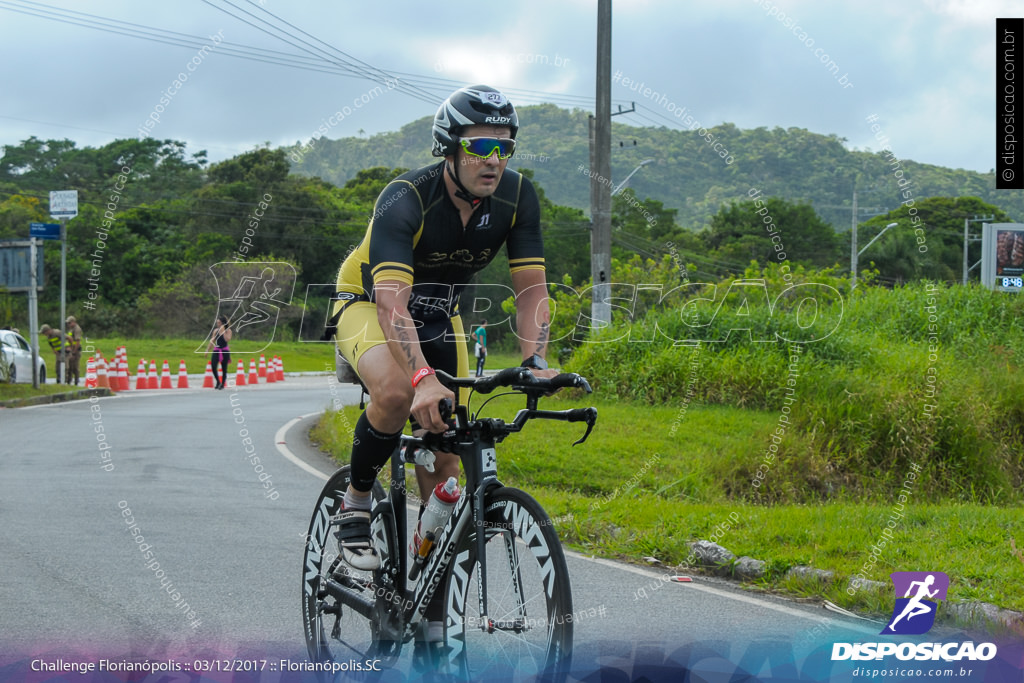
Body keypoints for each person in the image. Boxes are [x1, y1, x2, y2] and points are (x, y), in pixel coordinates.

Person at [326, 84, 557, 642]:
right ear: (448, 147)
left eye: (505, 147)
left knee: (445, 477)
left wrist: (536, 360)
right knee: (397, 394)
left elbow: (530, 289)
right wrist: (422, 377)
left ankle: (425, 611)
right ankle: (356, 501)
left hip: (439, 315)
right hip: (368, 302)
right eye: (480, 145)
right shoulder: (405, 197)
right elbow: (390, 302)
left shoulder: (517, 198)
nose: (493, 160)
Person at [206, 315, 231, 389]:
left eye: (219, 323)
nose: (218, 324)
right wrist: (207, 350)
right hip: (216, 350)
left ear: (223, 323)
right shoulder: (215, 331)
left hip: (225, 351)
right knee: (213, 366)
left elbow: (227, 340)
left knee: (224, 368)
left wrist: (222, 332)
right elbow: (212, 341)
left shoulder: (228, 331)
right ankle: (218, 381)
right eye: (217, 323)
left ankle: (222, 384)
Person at [65, 316, 84, 385]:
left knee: (75, 367)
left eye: (69, 323)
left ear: (73, 322)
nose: (68, 324)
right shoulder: (71, 329)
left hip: (75, 351)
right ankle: (69, 381)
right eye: (68, 323)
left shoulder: (77, 329)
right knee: (69, 367)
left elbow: (77, 341)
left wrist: (74, 352)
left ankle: (76, 382)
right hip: (71, 350)